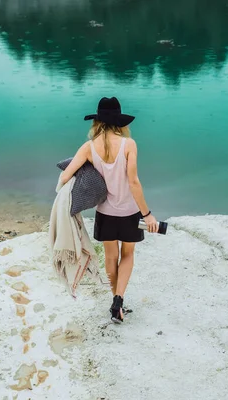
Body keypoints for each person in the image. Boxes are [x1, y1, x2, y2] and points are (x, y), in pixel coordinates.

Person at [59, 97, 158, 323]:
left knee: (111, 258)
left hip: (105, 213)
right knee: (128, 254)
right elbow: (133, 182)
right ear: (120, 123)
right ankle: (119, 300)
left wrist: (83, 179)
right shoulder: (128, 145)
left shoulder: (88, 147)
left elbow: (65, 176)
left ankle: (116, 302)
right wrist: (147, 214)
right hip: (129, 212)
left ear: (97, 122)